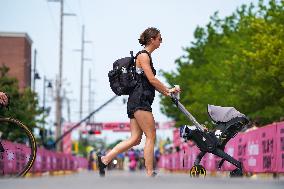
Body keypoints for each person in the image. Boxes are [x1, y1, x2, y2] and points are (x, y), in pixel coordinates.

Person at [98, 27, 180, 177]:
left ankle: (105, 159)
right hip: (140, 100)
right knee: (151, 135)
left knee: (135, 138)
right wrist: (168, 90)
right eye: (159, 38)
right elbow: (152, 79)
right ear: (152, 39)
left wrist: (166, 91)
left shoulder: (145, 56)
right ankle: (149, 172)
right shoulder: (143, 56)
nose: (161, 41)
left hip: (136, 100)